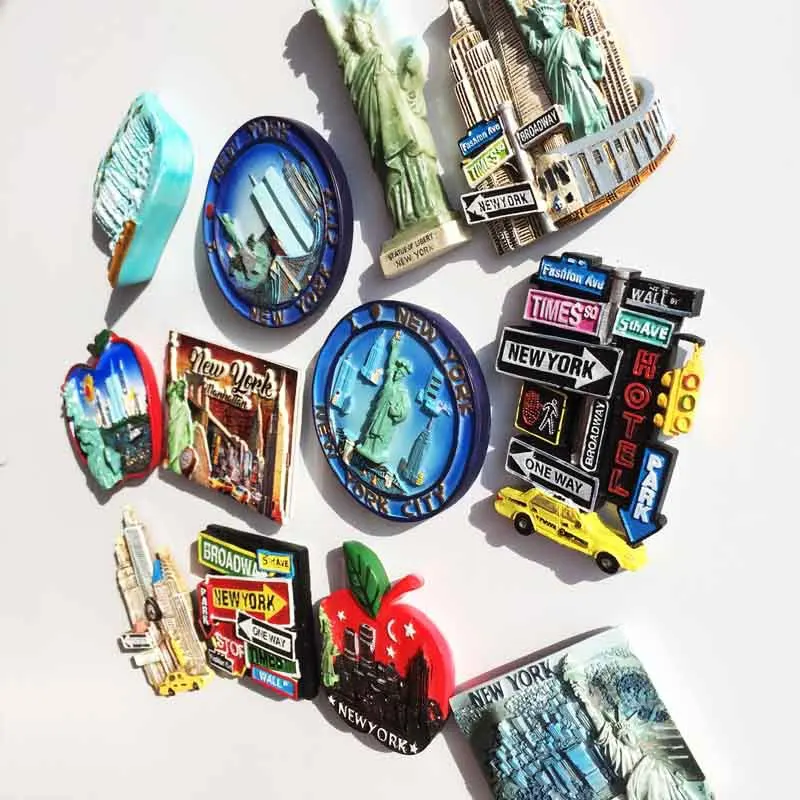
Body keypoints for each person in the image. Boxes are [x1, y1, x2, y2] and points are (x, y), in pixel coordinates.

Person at [313, 0, 451, 231]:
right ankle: (406, 221)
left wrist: (412, 70)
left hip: (403, 126)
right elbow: (339, 43)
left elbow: (404, 88)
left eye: (361, 28)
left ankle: (432, 209)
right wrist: (326, 13)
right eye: (353, 30)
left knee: (415, 160)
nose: (358, 33)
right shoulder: (354, 64)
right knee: (391, 172)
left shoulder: (382, 55)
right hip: (379, 131)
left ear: (369, 30)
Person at [512, 0, 611, 139]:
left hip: (580, 84)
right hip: (563, 93)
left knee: (592, 117)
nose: (544, 24)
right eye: (540, 22)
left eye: (547, 19)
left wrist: (591, 48)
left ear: (555, 19)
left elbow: (590, 54)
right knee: (576, 124)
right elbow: (524, 26)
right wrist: (511, 4)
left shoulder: (570, 34)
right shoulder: (544, 46)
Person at [357, 331, 412, 464]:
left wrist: (396, 412)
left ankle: (376, 453)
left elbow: (406, 410)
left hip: (387, 419)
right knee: (372, 429)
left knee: (380, 435)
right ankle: (366, 447)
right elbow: (391, 363)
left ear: (403, 376)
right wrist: (395, 345)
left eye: (401, 373)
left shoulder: (402, 391)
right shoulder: (389, 381)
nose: (397, 374)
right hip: (379, 411)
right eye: (397, 371)